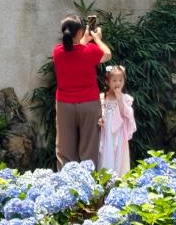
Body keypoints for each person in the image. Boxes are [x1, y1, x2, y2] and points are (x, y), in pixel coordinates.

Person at [53, 14, 112, 169]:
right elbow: (107, 54)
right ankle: (88, 180)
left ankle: (66, 179)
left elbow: (73, 49)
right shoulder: (89, 51)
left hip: (64, 105)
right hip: (89, 104)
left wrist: (83, 39)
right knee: (89, 149)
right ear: (79, 32)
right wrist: (97, 39)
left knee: (65, 150)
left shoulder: (57, 53)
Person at [98, 65, 136, 175]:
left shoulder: (125, 98)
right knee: (106, 154)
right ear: (107, 81)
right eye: (114, 80)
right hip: (106, 133)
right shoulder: (103, 97)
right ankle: (106, 179)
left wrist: (119, 98)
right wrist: (100, 119)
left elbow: (126, 114)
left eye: (120, 80)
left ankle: (119, 179)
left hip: (119, 133)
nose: (117, 83)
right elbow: (98, 113)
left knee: (119, 155)